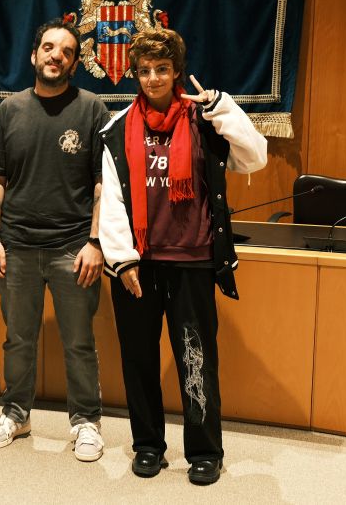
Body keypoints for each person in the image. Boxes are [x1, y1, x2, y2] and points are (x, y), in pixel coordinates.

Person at [98, 28, 267, 485]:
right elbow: (111, 199)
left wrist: (223, 108)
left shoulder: (203, 119)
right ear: (135, 74)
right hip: (138, 264)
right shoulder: (117, 128)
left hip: (192, 259)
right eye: (144, 70)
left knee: (196, 357)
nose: (153, 78)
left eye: (162, 69)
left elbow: (256, 157)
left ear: (176, 72)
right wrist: (122, 259)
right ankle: (148, 445)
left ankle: (205, 450)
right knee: (138, 358)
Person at [0, 20, 109, 462]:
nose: (57, 55)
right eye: (49, 47)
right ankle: (16, 414)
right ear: (34, 55)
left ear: (75, 64)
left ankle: (86, 422)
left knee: (79, 342)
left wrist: (96, 242)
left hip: (74, 248)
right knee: (18, 339)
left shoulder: (93, 109)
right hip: (16, 246)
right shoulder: (9, 112)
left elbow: (103, 182)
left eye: (67, 51)